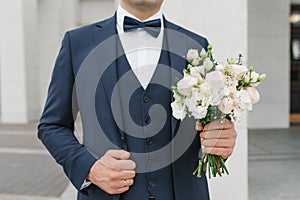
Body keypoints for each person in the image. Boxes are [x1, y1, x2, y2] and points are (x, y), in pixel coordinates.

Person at [38, 0, 237, 199]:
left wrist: (220, 138)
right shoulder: (78, 43)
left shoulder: (195, 45)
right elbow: (52, 125)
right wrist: (90, 168)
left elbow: (210, 122)